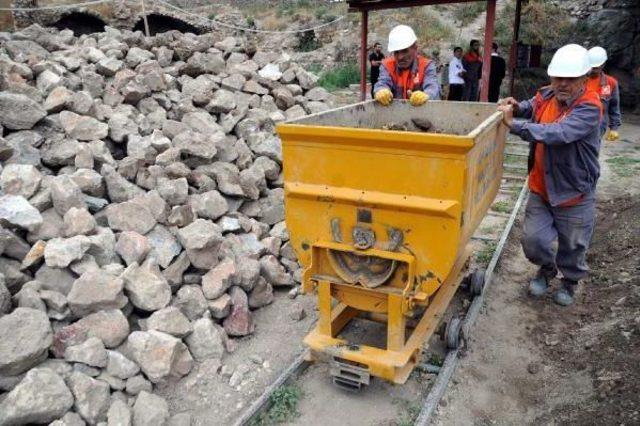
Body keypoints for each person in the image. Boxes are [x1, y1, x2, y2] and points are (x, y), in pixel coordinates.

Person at [497, 44, 603, 306]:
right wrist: (517, 107)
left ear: (584, 79)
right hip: (541, 186)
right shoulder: (547, 95)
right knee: (533, 241)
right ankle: (546, 269)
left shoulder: (590, 107)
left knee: (573, 246)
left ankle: (570, 281)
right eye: (559, 78)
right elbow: (531, 106)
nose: (563, 84)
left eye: (570, 79)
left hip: (574, 190)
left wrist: (515, 125)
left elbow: (559, 133)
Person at [373, 25, 441, 106]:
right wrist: (381, 90)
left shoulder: (426, 66)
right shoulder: (387, 65)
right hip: (395, 115)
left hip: (422, 115)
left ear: (415, 48)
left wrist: (427, 95)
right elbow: (382, 83)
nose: (400, 57)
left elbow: (433, 86)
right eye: (396, 52)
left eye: (405, 51)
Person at [586, 46, 622, 141]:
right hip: (577, 121)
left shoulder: (610, 83)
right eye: (592, 66)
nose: (593, 69)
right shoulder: (577, 80)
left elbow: (614, 107)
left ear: (603, 64)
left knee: (591, 152)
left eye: (596, 67)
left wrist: (614, 128)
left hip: (598, 125)